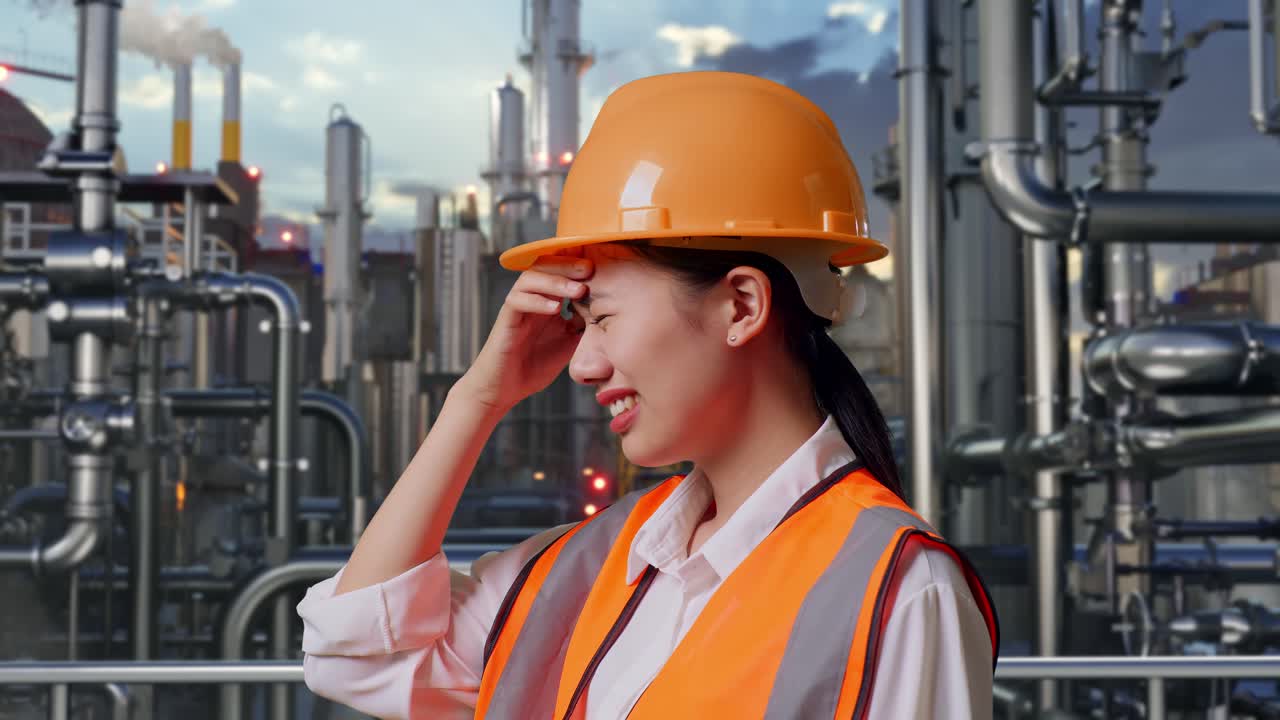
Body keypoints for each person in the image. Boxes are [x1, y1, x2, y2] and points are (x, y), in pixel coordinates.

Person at [297, 70, 999, 720]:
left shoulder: (900, 588)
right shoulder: (599, 561)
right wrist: (477, 398)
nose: (580, 366)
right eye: (578, 324)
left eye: (602, 318)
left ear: (742, 305)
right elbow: (356, 652)